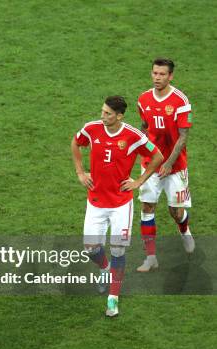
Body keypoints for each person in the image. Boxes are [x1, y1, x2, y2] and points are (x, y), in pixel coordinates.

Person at [71, 96, 163, 317]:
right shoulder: (91, 129)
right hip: (96, 201)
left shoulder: (133, 135)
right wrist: (80, 172)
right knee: (90, 247)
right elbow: (76, 143)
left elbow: (157, 156)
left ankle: (113, 298)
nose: (103, 116)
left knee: (118, 249)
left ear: (119, 116)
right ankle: (104, 269)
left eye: (108, 114)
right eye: (102, 112)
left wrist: (139, 182)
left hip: (121, 203)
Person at [136, 58, 194, 272]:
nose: (157, 78)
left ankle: (184, 230)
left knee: (175, 211)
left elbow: (183, 136)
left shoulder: (180, 101)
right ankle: (150, 257)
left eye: (162, 74)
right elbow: (144, 127)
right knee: (147, 207)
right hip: (151, 163)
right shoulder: (143, 99)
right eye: (154, 73)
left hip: (175, 166)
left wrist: (169, 163)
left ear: (170, 76)